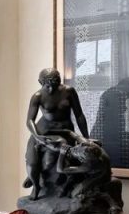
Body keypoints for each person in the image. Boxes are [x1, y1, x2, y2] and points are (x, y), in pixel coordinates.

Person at [23, 68, 90, 200]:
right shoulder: (38, 96)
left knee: (50, 163)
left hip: (65, 131)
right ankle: (35, 184)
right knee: (32, 159)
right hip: (44, 131)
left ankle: (60, 185)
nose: (52, 88)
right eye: (48, 84)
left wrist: (85, 137)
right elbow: (30, 120)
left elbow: (79, 115)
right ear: (40, 82)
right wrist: (37, 136)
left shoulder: (69, 91)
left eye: (56, 82)